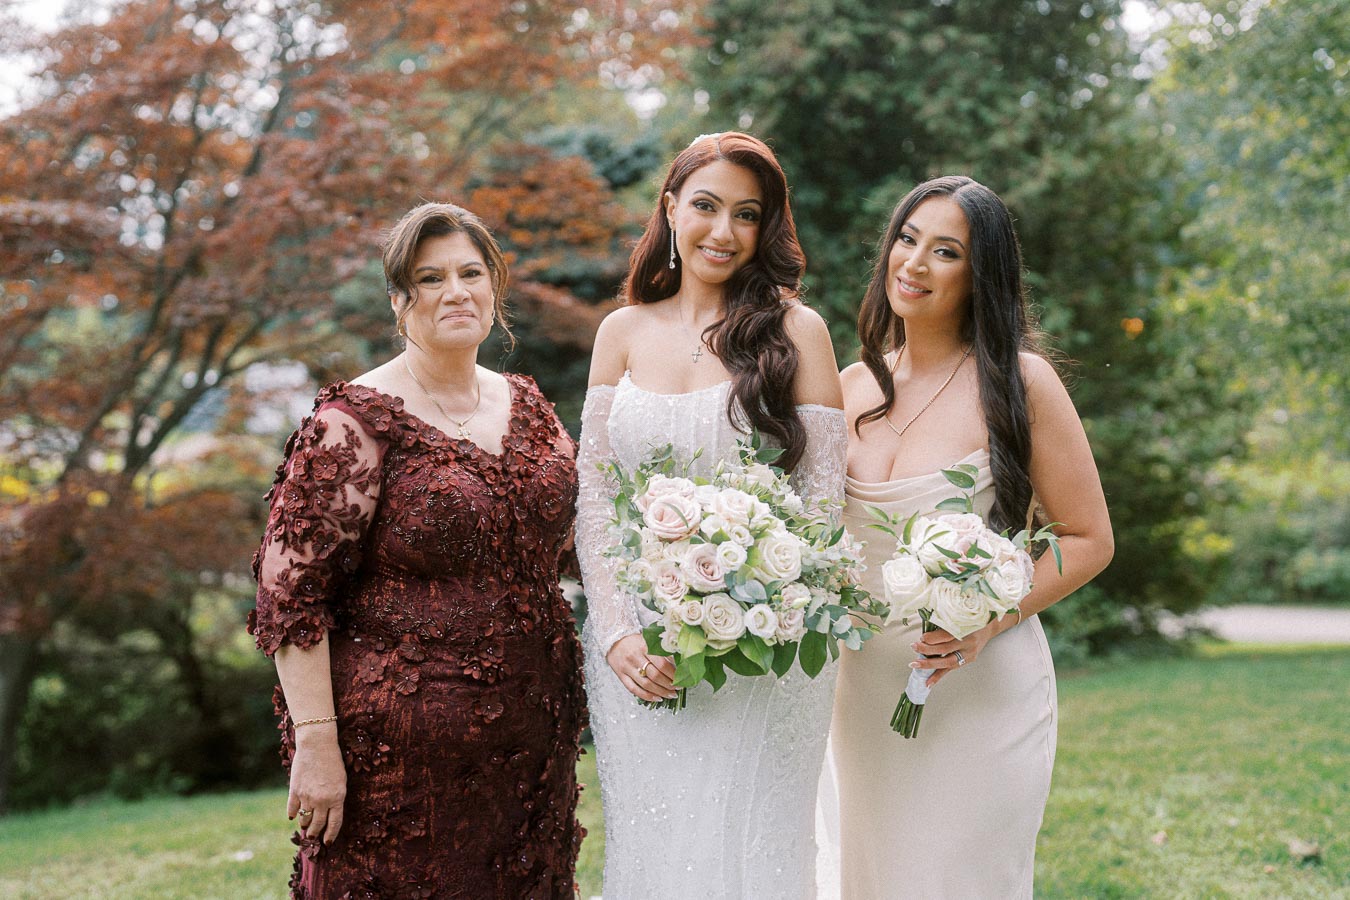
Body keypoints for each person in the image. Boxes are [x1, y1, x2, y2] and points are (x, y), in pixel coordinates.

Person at [247, 202, 586, 898]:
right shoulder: (353, 423)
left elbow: (578, 546)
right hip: (395, 762)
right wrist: (315, 743)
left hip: (531, 745)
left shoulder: (530, 406)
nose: (455, 291)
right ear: (400, 299)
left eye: (470, 272)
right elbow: (290, 600)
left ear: (494, 285)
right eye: (430, 279)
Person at [575, 132, 847, 897]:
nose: (722, 232)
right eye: (705, 206)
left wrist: (749, 605)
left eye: (746, 214)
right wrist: (619, 631)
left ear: (766, 229)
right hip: (640, 654)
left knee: (749, 846)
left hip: (764, 648)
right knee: (657, 852)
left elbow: (824, 503)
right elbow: (594, 492)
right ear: (670, 208)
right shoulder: (619, 334)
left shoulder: (799, 332)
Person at [827, 176, 1114, 898]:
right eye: (908, 238)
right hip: (860, 694)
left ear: (979, 272)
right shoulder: (849, 387)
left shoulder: (1021, 383)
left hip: (981, 691)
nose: (915, 262)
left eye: (945, 251)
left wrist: (988, 620)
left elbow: (1086, 537)